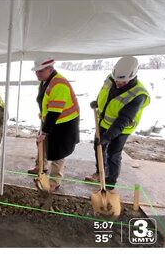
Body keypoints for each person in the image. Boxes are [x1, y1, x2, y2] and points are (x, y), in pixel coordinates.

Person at [85, 56, 150, 191]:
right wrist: (97, 102)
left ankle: (110, 182)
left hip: (121, 128)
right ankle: (100, 173)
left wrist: (108, 137)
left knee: (113, 154)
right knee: (98, 148)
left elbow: (123, 120)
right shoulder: (111, 78)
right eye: (117, 80)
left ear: (132, 77)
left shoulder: (138, 94)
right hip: (104, 122)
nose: (118, 83)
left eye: (122, 81)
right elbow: (105, 92)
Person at [31, 57, 80, 192]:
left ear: (50, 69)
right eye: (36, 71)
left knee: (58, 151)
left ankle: (55, 180)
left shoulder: (59, 84)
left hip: (64, 122)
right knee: (41, 143)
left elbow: (54, 112)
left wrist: (45, 131)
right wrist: (44, 126)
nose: (37, 74)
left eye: (40, 71)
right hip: (50, 120)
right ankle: (41, 166)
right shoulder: (45, 81)